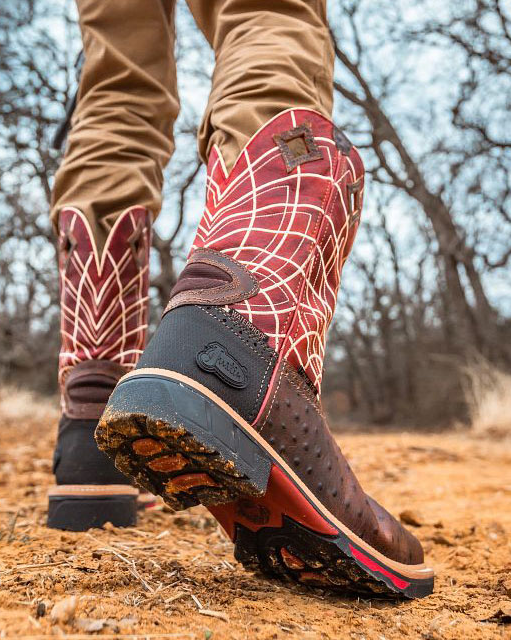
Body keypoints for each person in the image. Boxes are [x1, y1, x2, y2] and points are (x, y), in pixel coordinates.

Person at [49, 0, 434, 597]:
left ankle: (90, 410)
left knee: (118, 83)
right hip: (245, 337)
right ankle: (240, 335)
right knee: (267, 12)